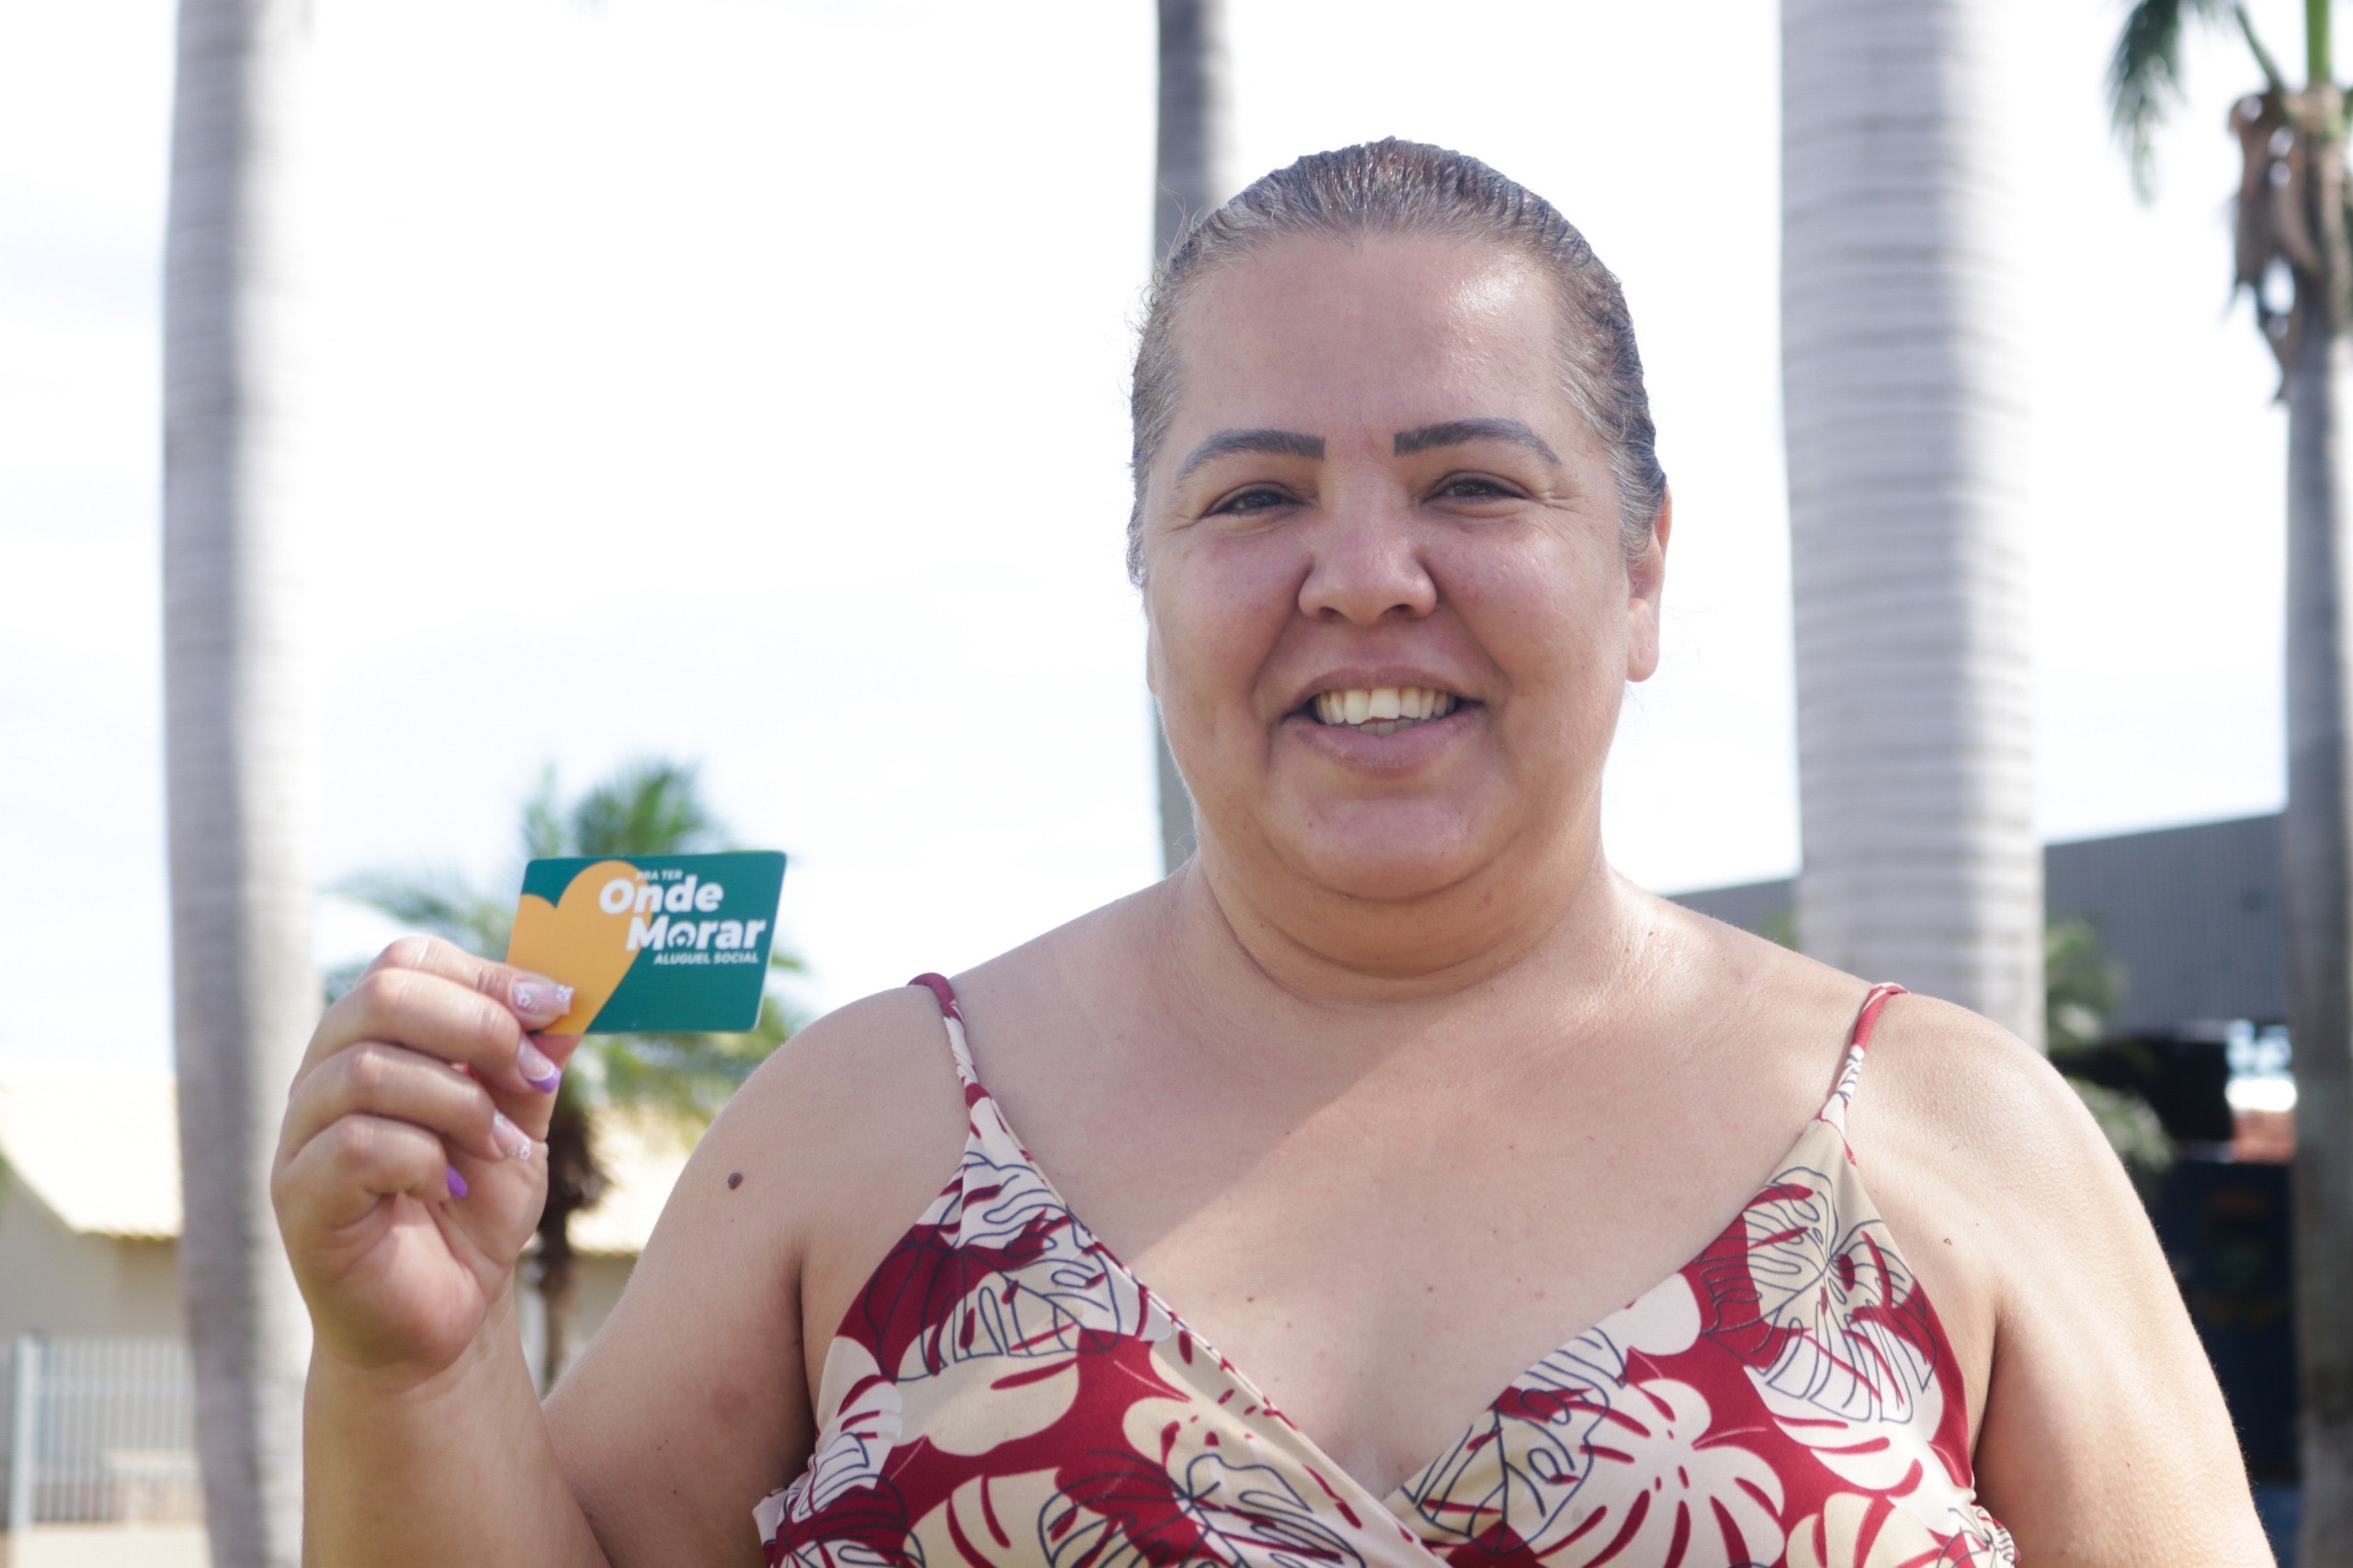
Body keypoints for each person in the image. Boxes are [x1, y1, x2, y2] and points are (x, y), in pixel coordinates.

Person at [276, 141, 2273, 1566]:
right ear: (1144, 578)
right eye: (1252, 499)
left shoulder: (1955, 1136)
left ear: (1642, 571)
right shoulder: (858, 1129)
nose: (1365, 574)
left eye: (1472, 482)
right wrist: (411, 1366)